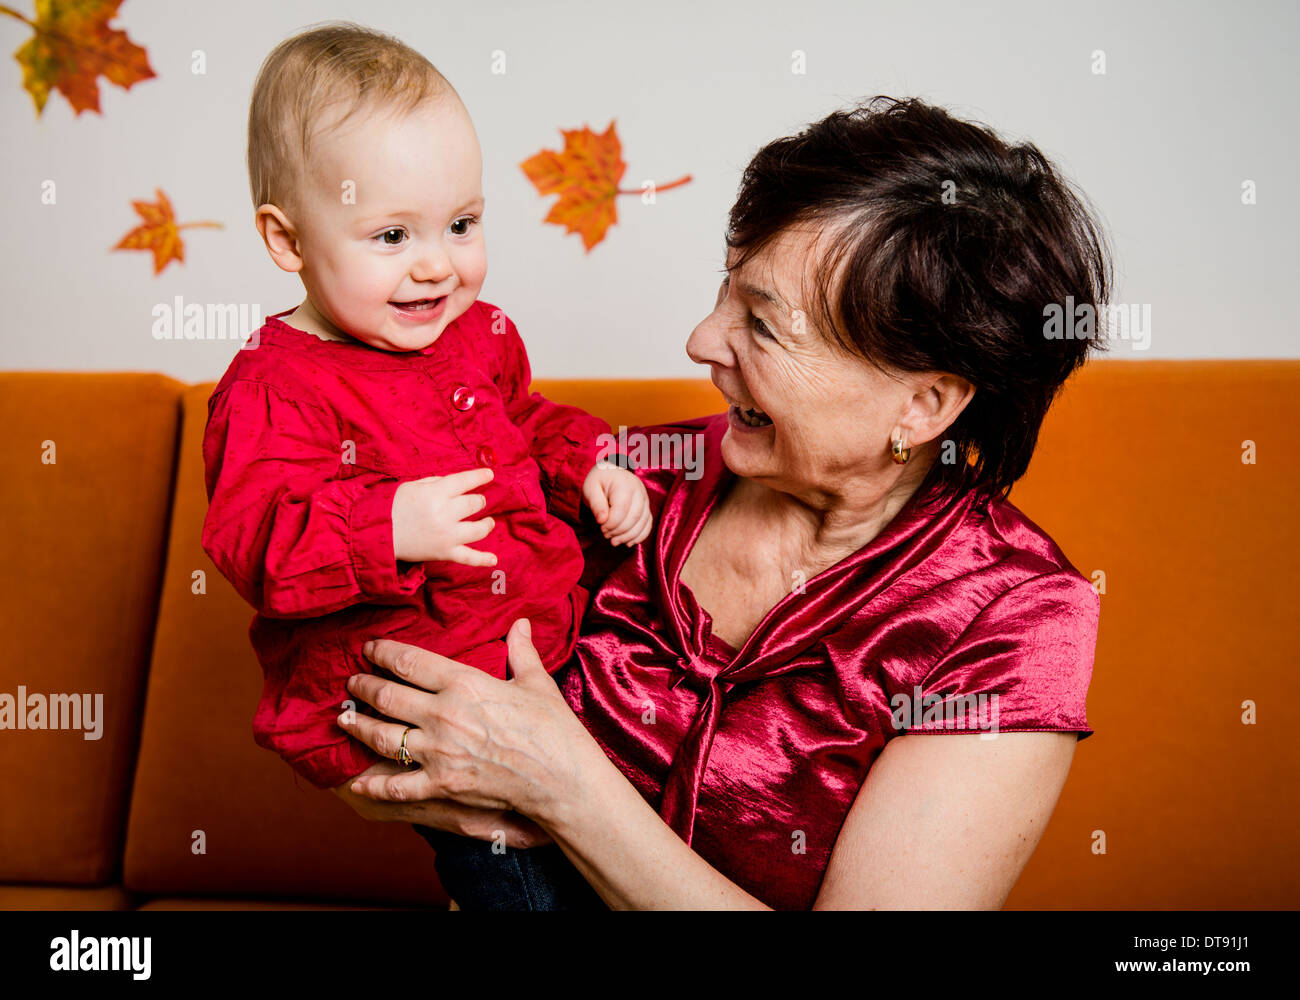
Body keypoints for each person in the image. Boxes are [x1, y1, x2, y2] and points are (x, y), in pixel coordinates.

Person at [332, 95, 1113, 910]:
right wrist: (389, 765)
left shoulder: (1014, 616)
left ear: (922, 407)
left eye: (765, 326)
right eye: (726, 291)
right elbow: (369, 699)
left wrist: (561, 783)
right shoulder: (627, 483)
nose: (702, 341)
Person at [200, 23, 651, 912]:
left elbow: (528, 420)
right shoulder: (273, 383)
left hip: (542, 652)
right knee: (519, 876)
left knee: (627, 830)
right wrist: (386, 526)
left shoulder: (476, 335)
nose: (437, 265)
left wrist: (593, 464)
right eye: (392, 235)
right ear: (287, 242)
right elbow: (253, 539)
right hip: (417, 700)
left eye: (460, 224)